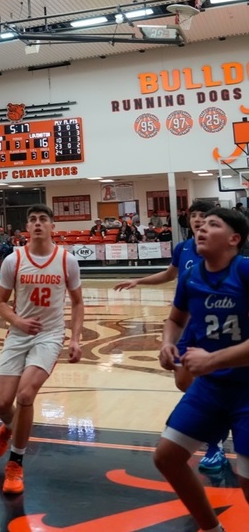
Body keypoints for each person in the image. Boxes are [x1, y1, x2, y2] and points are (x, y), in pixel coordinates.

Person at [154, 207, 249, 532]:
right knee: (166, 457)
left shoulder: (245, 271)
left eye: (213, 224)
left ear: (234, 239)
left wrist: (213, 360)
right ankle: (211, 528)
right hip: (210, 389)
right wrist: (168, 343)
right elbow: (175, 319)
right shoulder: (191, 276)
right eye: (200, 224)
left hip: (246, 389)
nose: (201, 228)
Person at [114, 200, 224, 470]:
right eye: (194, 216)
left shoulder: (221, 251)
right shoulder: (183, 248)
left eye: (204, 216)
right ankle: (213, 423)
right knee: (183, 382)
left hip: (214, 327)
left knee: (212, 384)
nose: (198, 220)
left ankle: (215, 443)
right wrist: (138, 280)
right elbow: (168, 274)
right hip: (186, 324)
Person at [0, 204, 84, 495]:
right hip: (17, 335)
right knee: (3, 404)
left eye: (44, 219)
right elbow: (0, 303)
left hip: (49, 336)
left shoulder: (66, 260)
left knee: (25, 395)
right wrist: (17, 319)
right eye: (33, 220)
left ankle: (15, 463)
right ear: (26, 228)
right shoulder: (13, 260)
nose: (38, 224)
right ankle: (9, 426)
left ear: (53, 226)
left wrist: (75, 339)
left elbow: (78, 302)